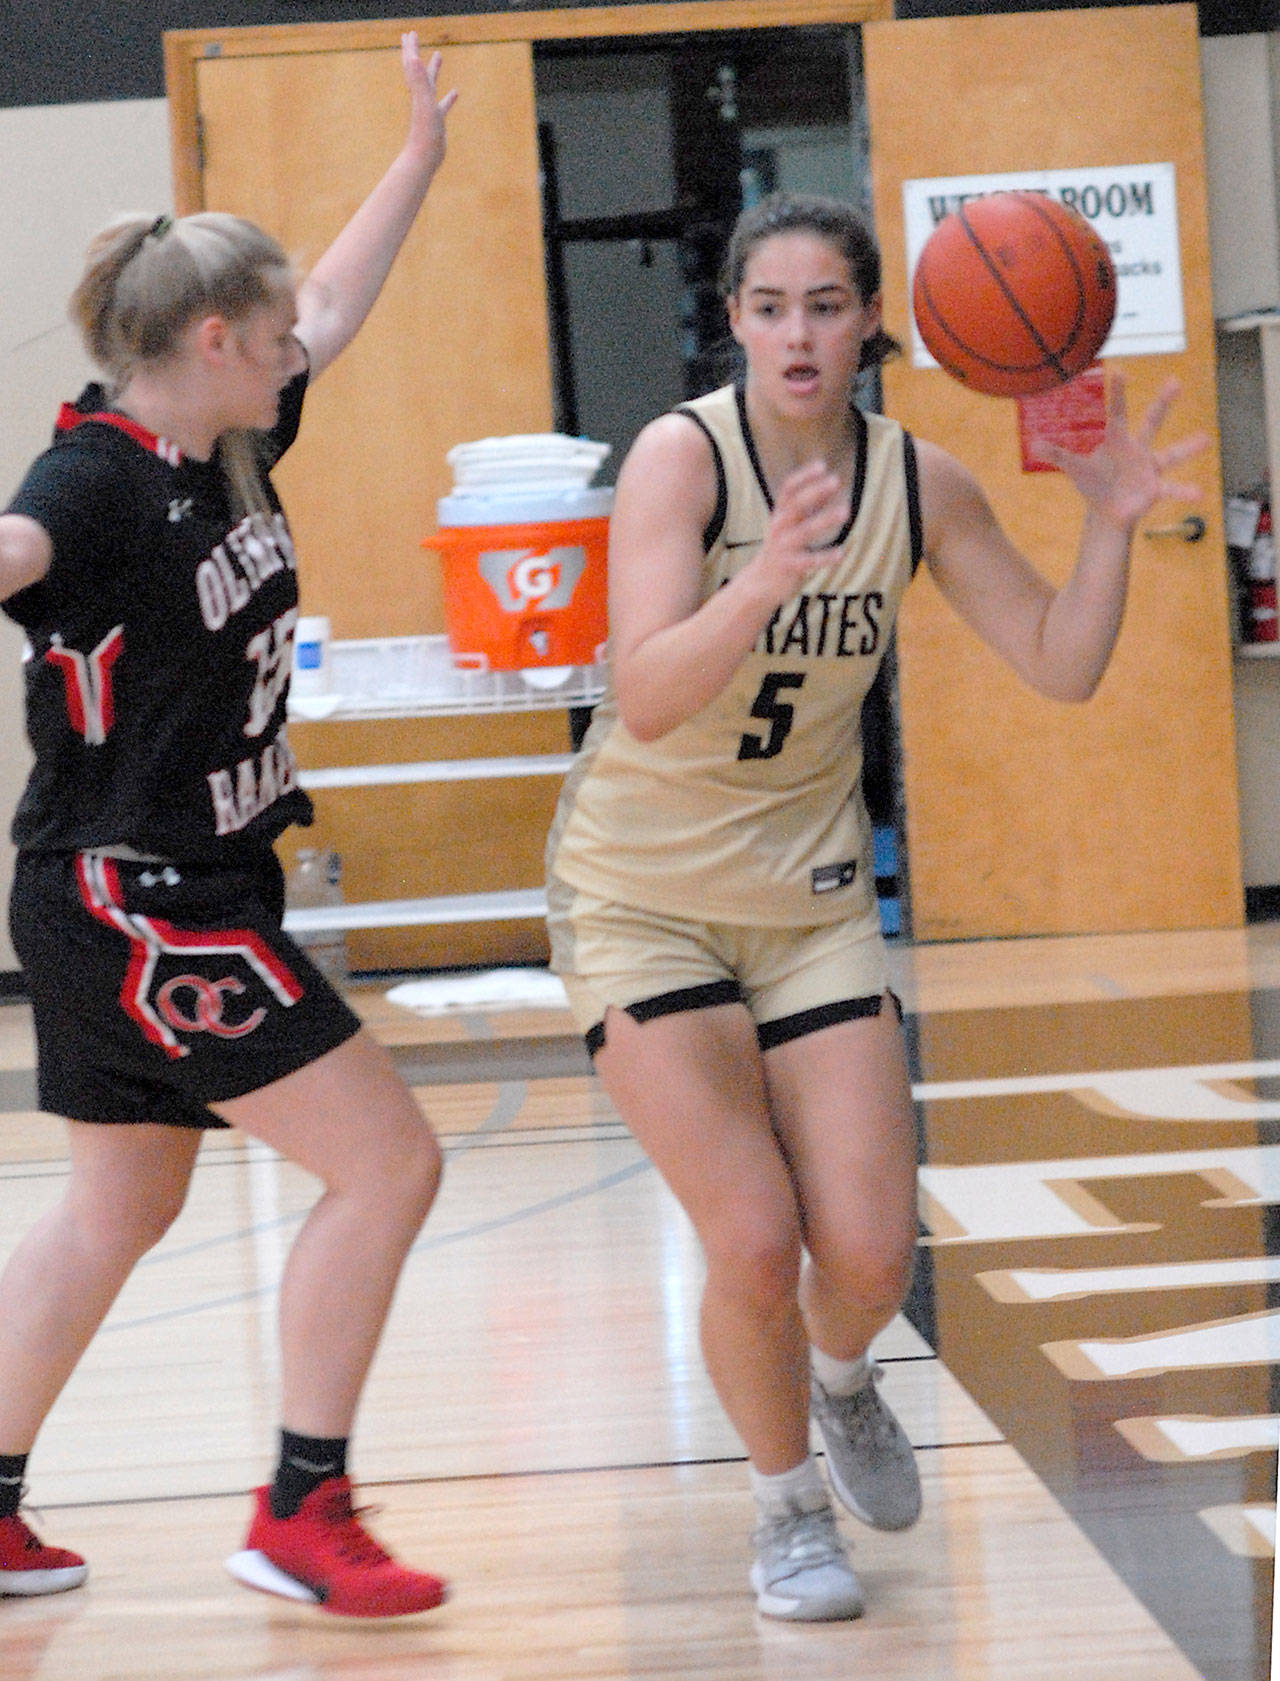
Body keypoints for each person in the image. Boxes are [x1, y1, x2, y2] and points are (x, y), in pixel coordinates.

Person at [545, 191, 1205, 1623]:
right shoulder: (681, 458)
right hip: (643, 897)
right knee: (748, 1234)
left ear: (869, 329)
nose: (798, 333)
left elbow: (1060, 663)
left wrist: (1110, 528)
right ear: (733, 321)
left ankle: (843, 1379)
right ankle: (785, 1512)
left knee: (867, 1250)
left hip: (812, 900)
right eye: (770, 306)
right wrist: (763, 580)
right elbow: (643, 696)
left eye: (827, 306)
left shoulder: (919, 480)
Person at [0, 35, 457, 1619]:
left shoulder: (229, 433)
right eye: (269, 340)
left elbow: (327, 297)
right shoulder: (95, 480)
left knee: (120, 1204)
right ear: (208, 341)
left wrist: (417, 159)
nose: (295, 353)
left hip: (145, 883)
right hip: (139, 898)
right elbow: (15, 549)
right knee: (391, 1163)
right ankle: (300, 1511)